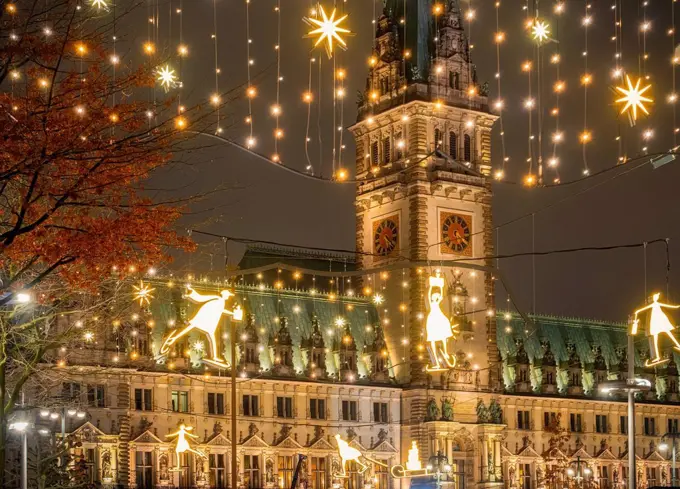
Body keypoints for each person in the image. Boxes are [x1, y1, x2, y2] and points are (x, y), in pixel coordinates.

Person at [632, 292, 680, 366]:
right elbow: (670, 306)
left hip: (658, 321)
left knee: (659, 336)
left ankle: (657, 356)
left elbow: (639, 310)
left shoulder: (655, 304)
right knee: (665, 334)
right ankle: (659, 355)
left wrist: (636, 313)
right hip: (657, 321)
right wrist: (676, 306)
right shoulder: (655, 304)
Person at [425, 271, 457, 370]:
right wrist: (431, 286)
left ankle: (444, 354)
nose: (437, 296)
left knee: (441, 336)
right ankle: (436, 360)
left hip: (437, 317)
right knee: (435, 339)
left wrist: (440, 286)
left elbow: (442, 295)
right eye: (435, 295)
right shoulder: (431, 302)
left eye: (437, 295)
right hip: (433, 318)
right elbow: (430, 293)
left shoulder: (438, 301)